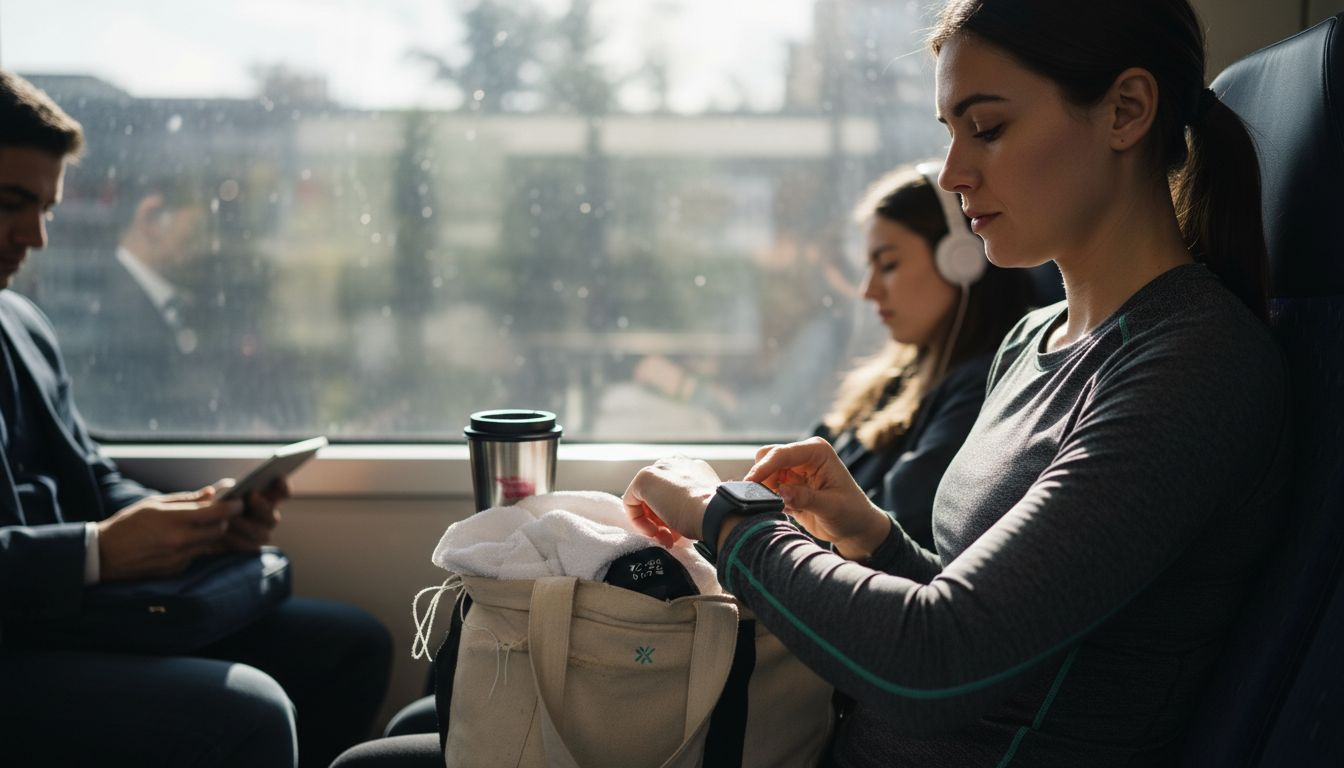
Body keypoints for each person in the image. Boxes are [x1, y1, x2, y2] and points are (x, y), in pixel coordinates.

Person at [622, 0, 1290, 766]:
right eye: (950, 133)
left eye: (989, 128)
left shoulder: (1195, 364)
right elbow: (997, 631)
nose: (952, 172)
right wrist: (871, 536)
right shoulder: (1032, 340)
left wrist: (726, 518)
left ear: (1126, 110)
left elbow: (939, 660)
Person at [0, 71, 391, 768]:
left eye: (47, 210)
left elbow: (88, 476)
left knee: (351, 643)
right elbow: (88, 529)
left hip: (71, 613)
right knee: (250, 713)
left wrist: (197, 522)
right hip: (18, 642)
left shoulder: (22, 324)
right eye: (10, 203)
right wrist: (98, 551)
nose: (35, 236)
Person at [813, 163, 1035, 549]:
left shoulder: (979, 390)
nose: (868, 291)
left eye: (889, 264)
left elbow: (899, 530)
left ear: (959, 260)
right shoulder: (892, 380)